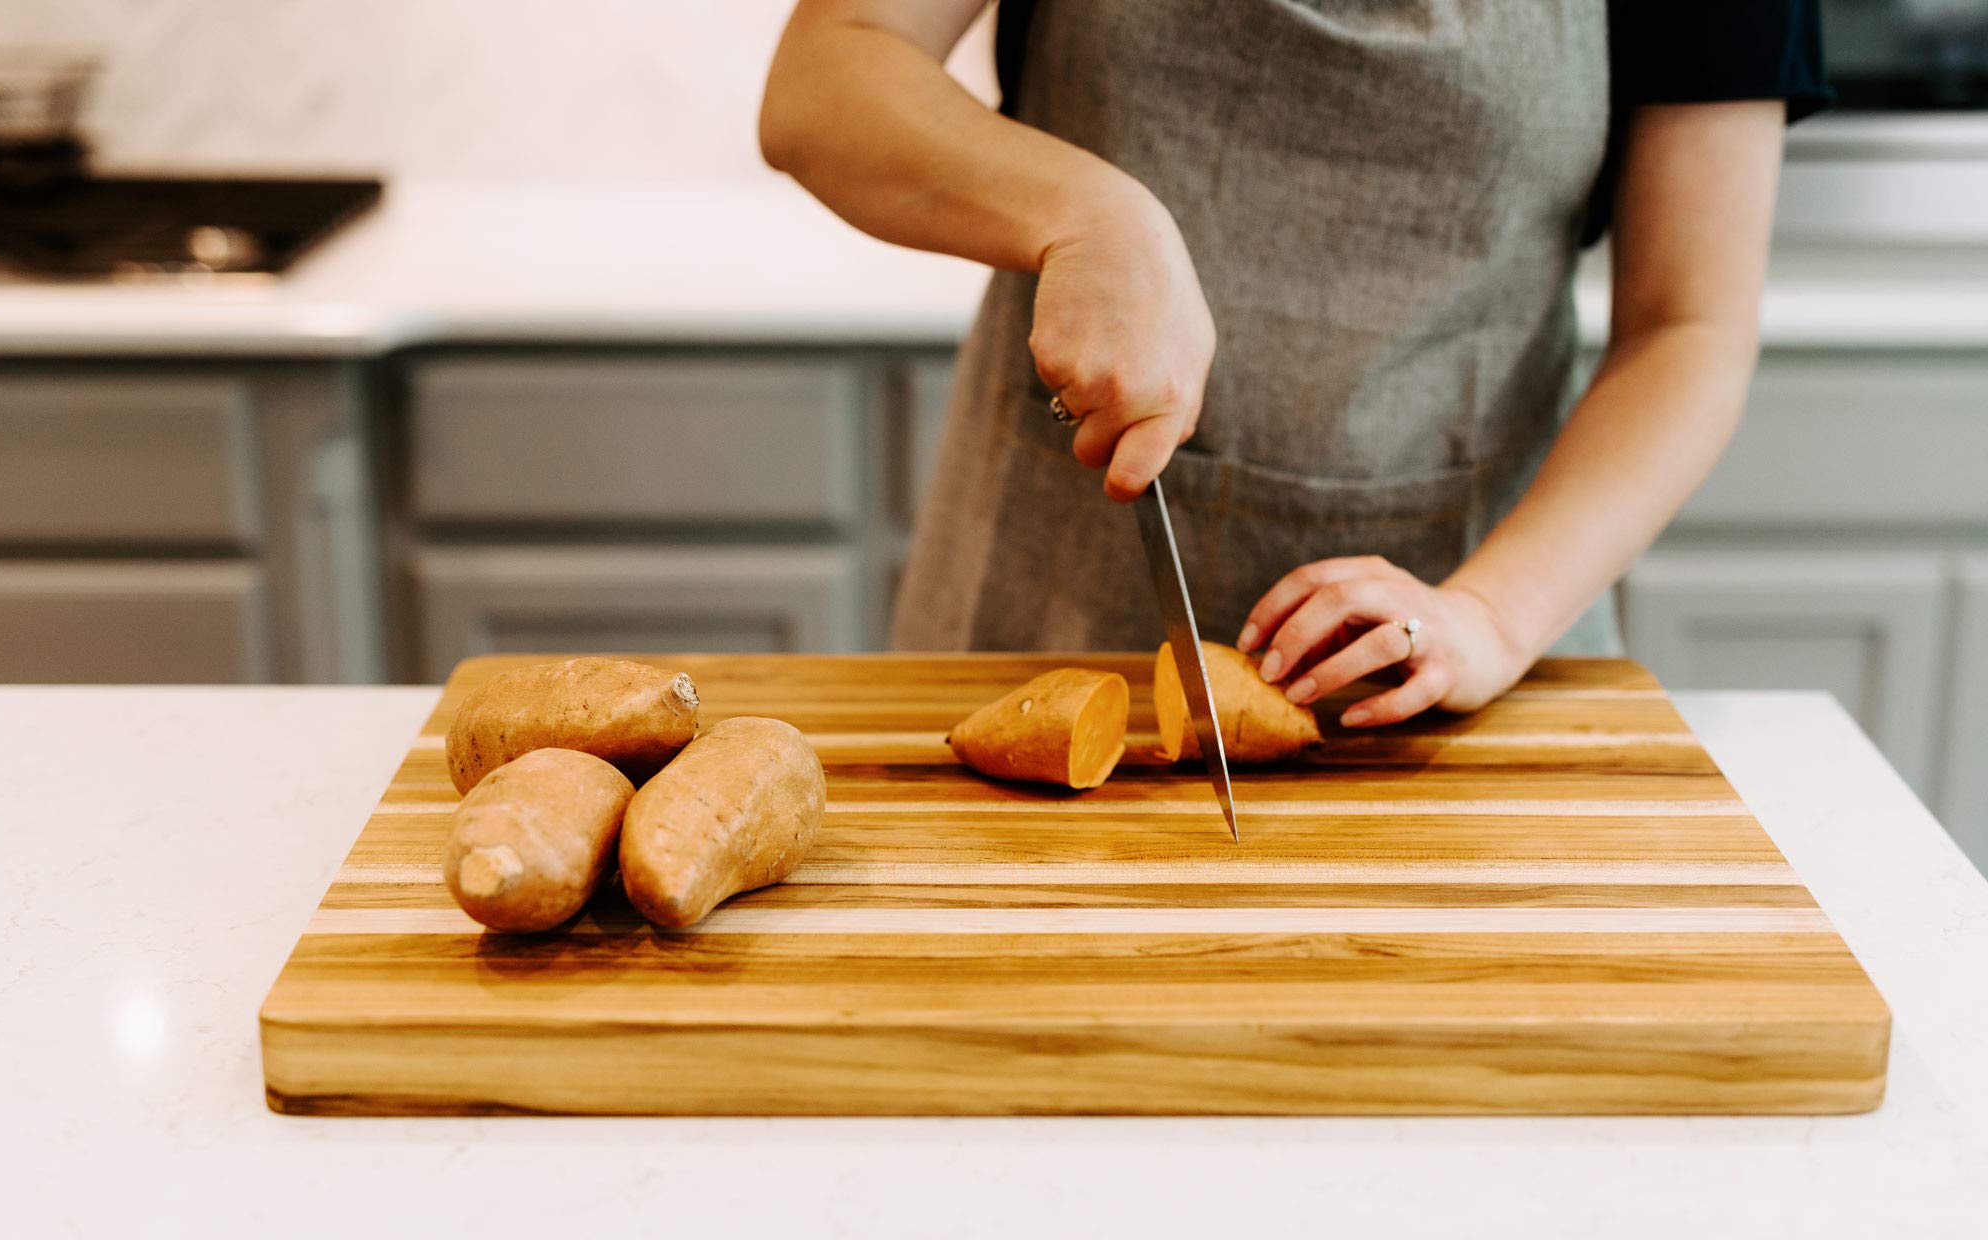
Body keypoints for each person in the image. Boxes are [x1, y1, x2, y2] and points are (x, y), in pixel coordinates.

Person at [760, 0, 1828, 726]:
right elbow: (825, 76)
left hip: (1470, 639)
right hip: (1037, 617)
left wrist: (1490, 617)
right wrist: (1080, 209)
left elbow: (1686, 327)